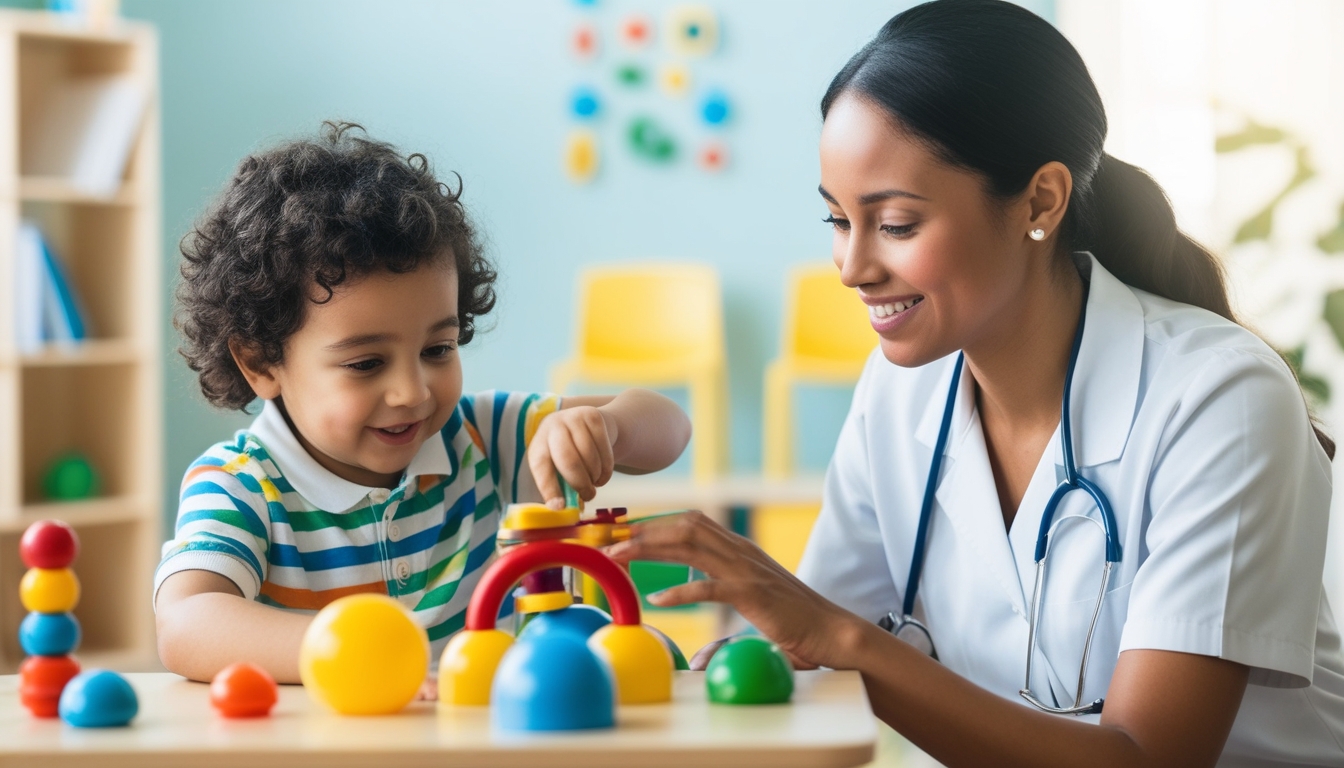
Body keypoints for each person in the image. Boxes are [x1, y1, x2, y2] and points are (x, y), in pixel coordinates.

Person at [605, 2, 1344, 765]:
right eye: (836, 220)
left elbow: (1147, 756)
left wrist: (844, 641)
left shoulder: (1221, 400)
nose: (852, 268)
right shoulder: (901, 392)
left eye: (894, 223)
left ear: (1040, 202)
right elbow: (807, 650)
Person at [154, 123, 691, 690]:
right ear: (261, 363)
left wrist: (608, 426)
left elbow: (670, 427)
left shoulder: (482, 436)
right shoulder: (240, 486)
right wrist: (351, 650)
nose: (413, 391)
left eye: (438, 349)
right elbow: (187, 623)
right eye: (365, 364)